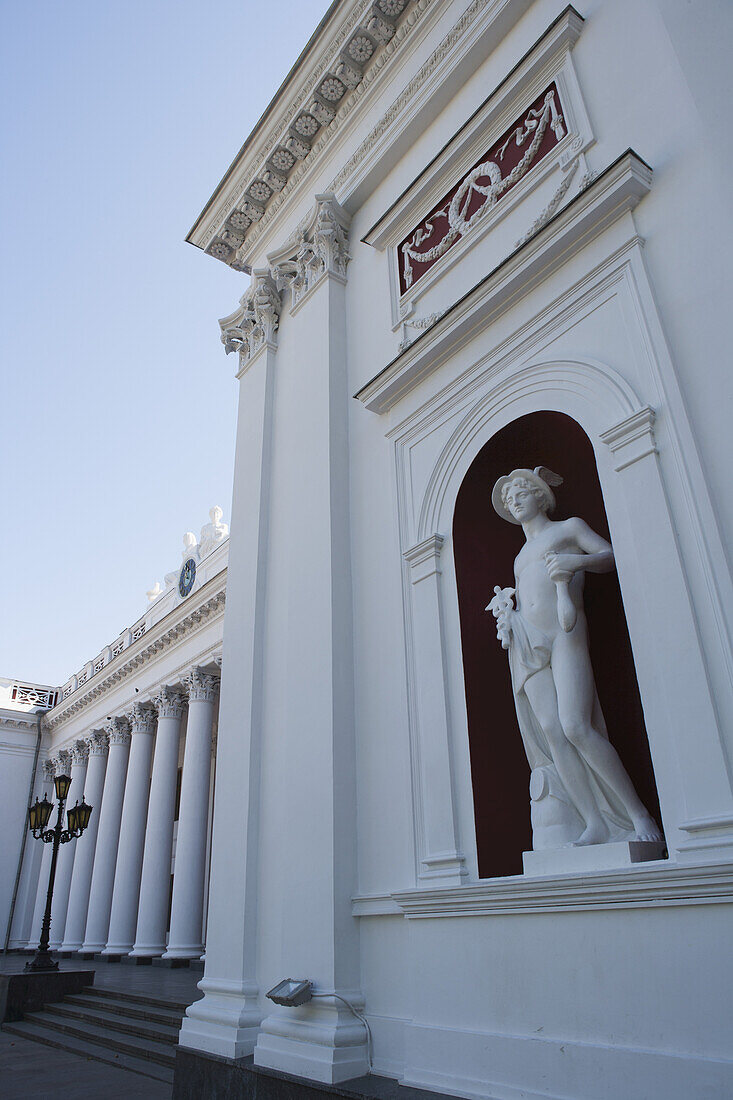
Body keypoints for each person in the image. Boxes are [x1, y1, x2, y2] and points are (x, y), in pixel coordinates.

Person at [488, 466, 662, 847]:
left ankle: (637, 814)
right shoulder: (520, 556)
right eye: (507, 498)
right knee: (552, 732)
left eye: (519, 491)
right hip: (527, 640)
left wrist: (575, 563)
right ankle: (593, 821)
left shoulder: (568, 529)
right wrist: (509, 616)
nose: (512, 500)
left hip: (565, 633)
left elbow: (608, 555)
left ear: (540, 494)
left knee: (576, 726)